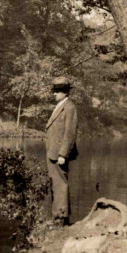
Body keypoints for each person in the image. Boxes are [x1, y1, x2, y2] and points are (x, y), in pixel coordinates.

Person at [45, 76, 78, 225]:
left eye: (57, 91)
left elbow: (70, 133)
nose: (54, 94)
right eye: (55, 91)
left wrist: (63, 154)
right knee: (55, 184)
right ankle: (57, 216)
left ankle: (61, 218)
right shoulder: (60, 105)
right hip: (52, 152)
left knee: (61, 184)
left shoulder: (69, 107)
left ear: (64, 92)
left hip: (59, 154)